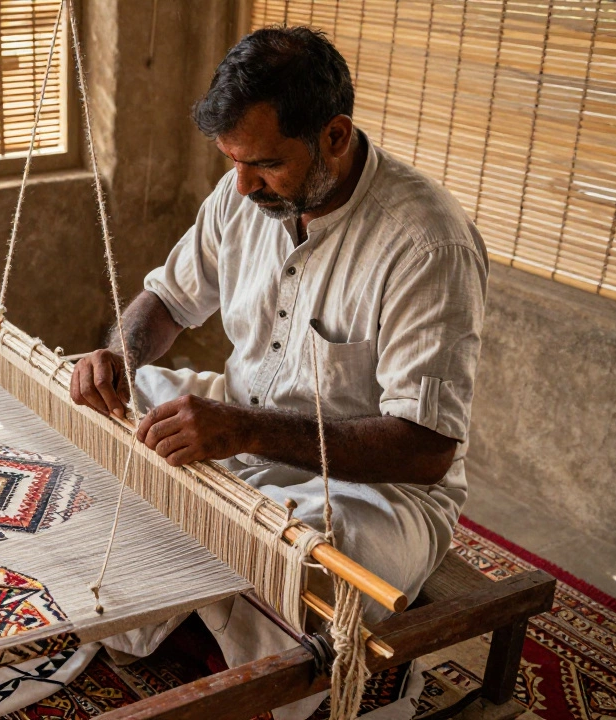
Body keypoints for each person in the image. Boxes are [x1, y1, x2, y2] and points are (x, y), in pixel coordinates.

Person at [70, 26, 488, 624]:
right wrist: (117, 356)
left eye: (266, 164)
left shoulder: (427, 246)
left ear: (335, 136)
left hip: (369, 490)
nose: (242, 185)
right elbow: (165, 301)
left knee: (309, 562)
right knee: (89, 396)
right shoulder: (242, 192)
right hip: (240, 426)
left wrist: (242, 431)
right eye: (232, 161)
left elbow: (424, 452)